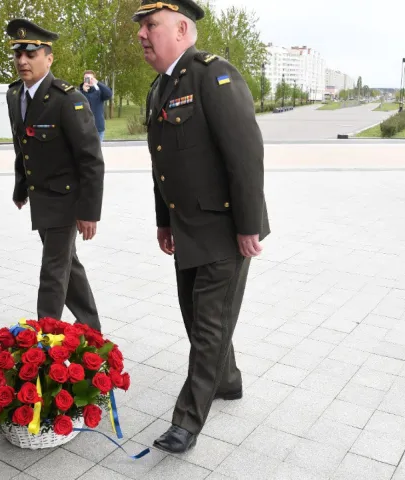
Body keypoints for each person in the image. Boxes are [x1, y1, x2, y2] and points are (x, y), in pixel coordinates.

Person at [134, 0, 270, 453]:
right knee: (196, 320)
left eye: (150, 24)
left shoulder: (213, 74)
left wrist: (250, 225)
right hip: (186, 228)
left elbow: (245, 152)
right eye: (142, 26)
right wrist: (163, 221)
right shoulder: (159, 88)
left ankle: (186, 422)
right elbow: (162, 164)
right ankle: (227, 380)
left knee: (209, 327)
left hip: (224, 229)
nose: (142, 34)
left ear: (181, 27)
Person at [5, 19, 105, 331]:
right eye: (18, 54)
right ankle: (91, 326)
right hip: (41, 199)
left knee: (53, 269)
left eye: (31, 54)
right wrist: (20, 186)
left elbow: (91, 160)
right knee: (67, 265)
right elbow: (23, 145)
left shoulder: (68, 100)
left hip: (66, 201)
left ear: (49, 58)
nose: (23, 60)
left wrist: (89, 212)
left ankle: (42, 341)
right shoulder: (15, 95)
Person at [79, 70, 113, 142]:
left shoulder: (99, 91)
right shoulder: (79, 92)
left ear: (94, 79)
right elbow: (76, 104)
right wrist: (83, 91)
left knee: (97, 152)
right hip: (83, 129)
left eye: (91, 78)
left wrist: (98, 83)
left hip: (98, 128)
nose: (88, 80)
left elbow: (109, 94)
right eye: (86, 78)